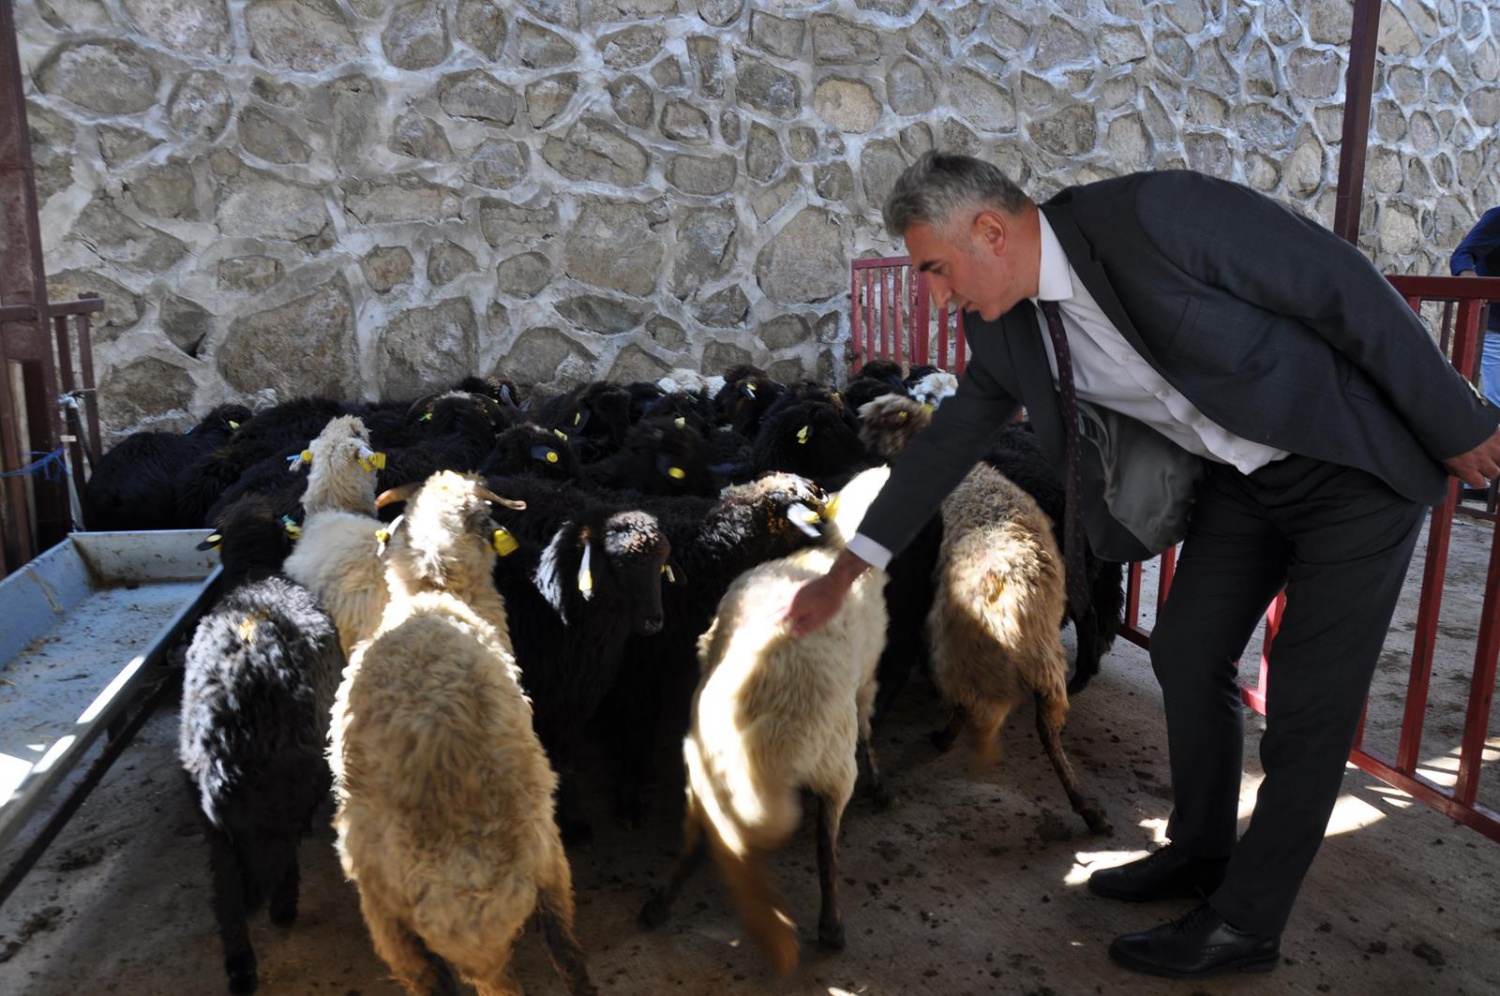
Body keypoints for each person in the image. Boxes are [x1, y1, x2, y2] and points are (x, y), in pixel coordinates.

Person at [783, 152, 1500, 979]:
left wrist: (1451, 415)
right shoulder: (1001, 325)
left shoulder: (1156, 213)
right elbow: (947, 445)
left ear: (989, 230)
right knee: (1185, 646)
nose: (937, 294)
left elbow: (1334, 280)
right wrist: (845, 572)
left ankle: (1247, 921)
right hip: (1243, 481)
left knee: (1308, 700)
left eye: (937, 269)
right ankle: (1200, 850)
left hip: (1350, 463)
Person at [1449, 206, 1500, 500]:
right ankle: (1476, 482)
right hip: (1496, 326)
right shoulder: (1498, 217)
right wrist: (1475, 288)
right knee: (1496, 398)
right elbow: (1462, 255)